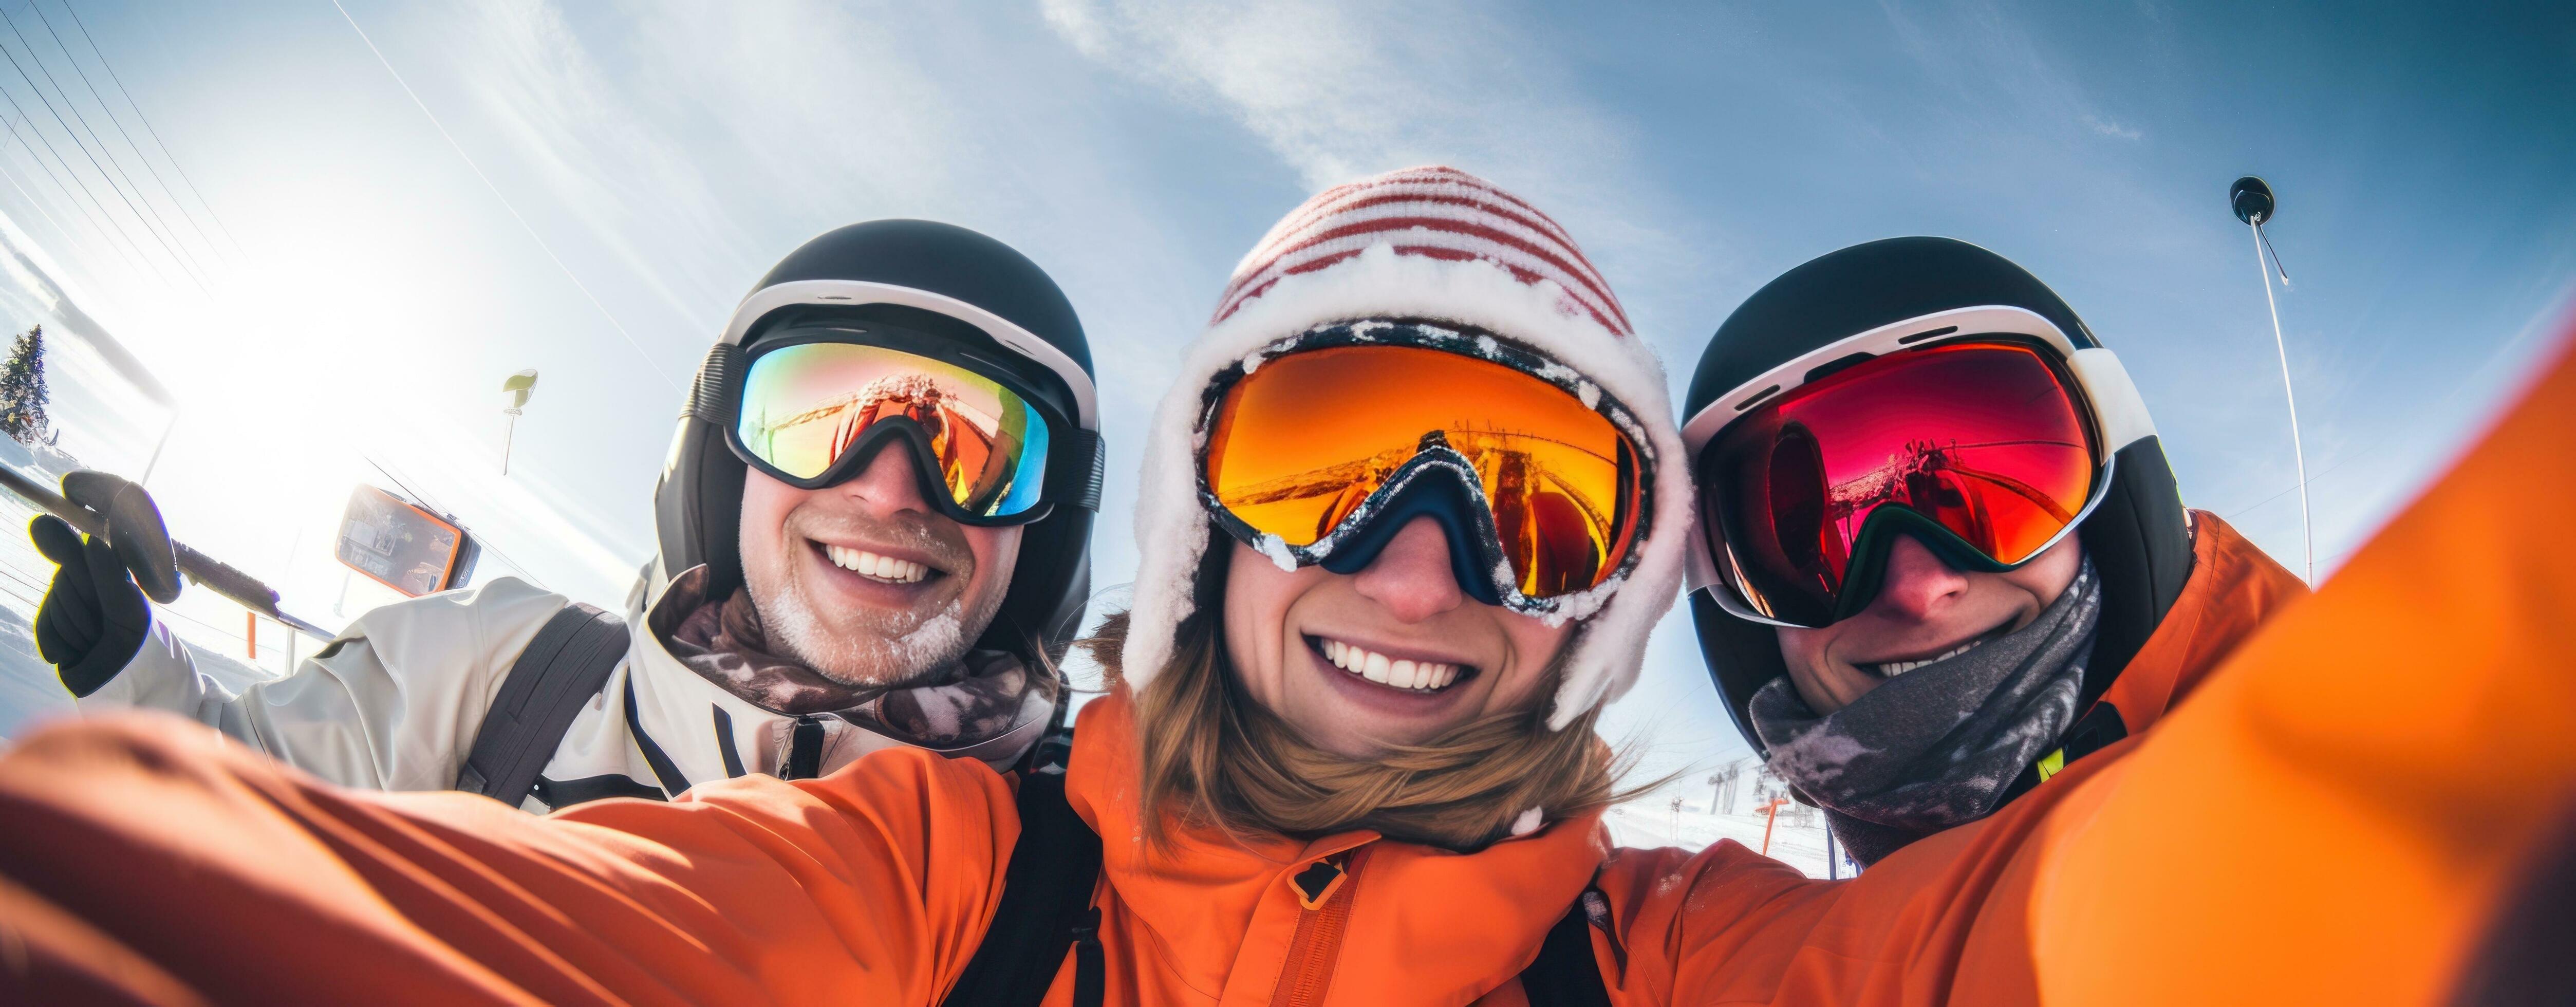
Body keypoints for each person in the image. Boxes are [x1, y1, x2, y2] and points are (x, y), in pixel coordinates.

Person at [3, 166, 2575, 1007]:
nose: (1429, 560)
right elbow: (490, 917)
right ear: (1205, 519)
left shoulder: (1673, 950)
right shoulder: (938, 872)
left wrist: (2461, 755)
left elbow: (2129, 926)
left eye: (1533, 490)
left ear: (1607, 597)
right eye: (1341, 447)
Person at [21, 219, 1105, 808]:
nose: (888, 484)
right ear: (719, 464)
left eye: (977, 448)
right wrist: (142, 679)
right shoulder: (504, 672)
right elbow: (233, 833)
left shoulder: (1073, 867)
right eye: (819, 415)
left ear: (1044, 535)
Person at [1678, 237, 2307, 866]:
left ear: (2115, 507)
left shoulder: (2336, 790)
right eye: (1811, 554)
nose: (1918, 590)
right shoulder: (1753, 954)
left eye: (2007, 512)